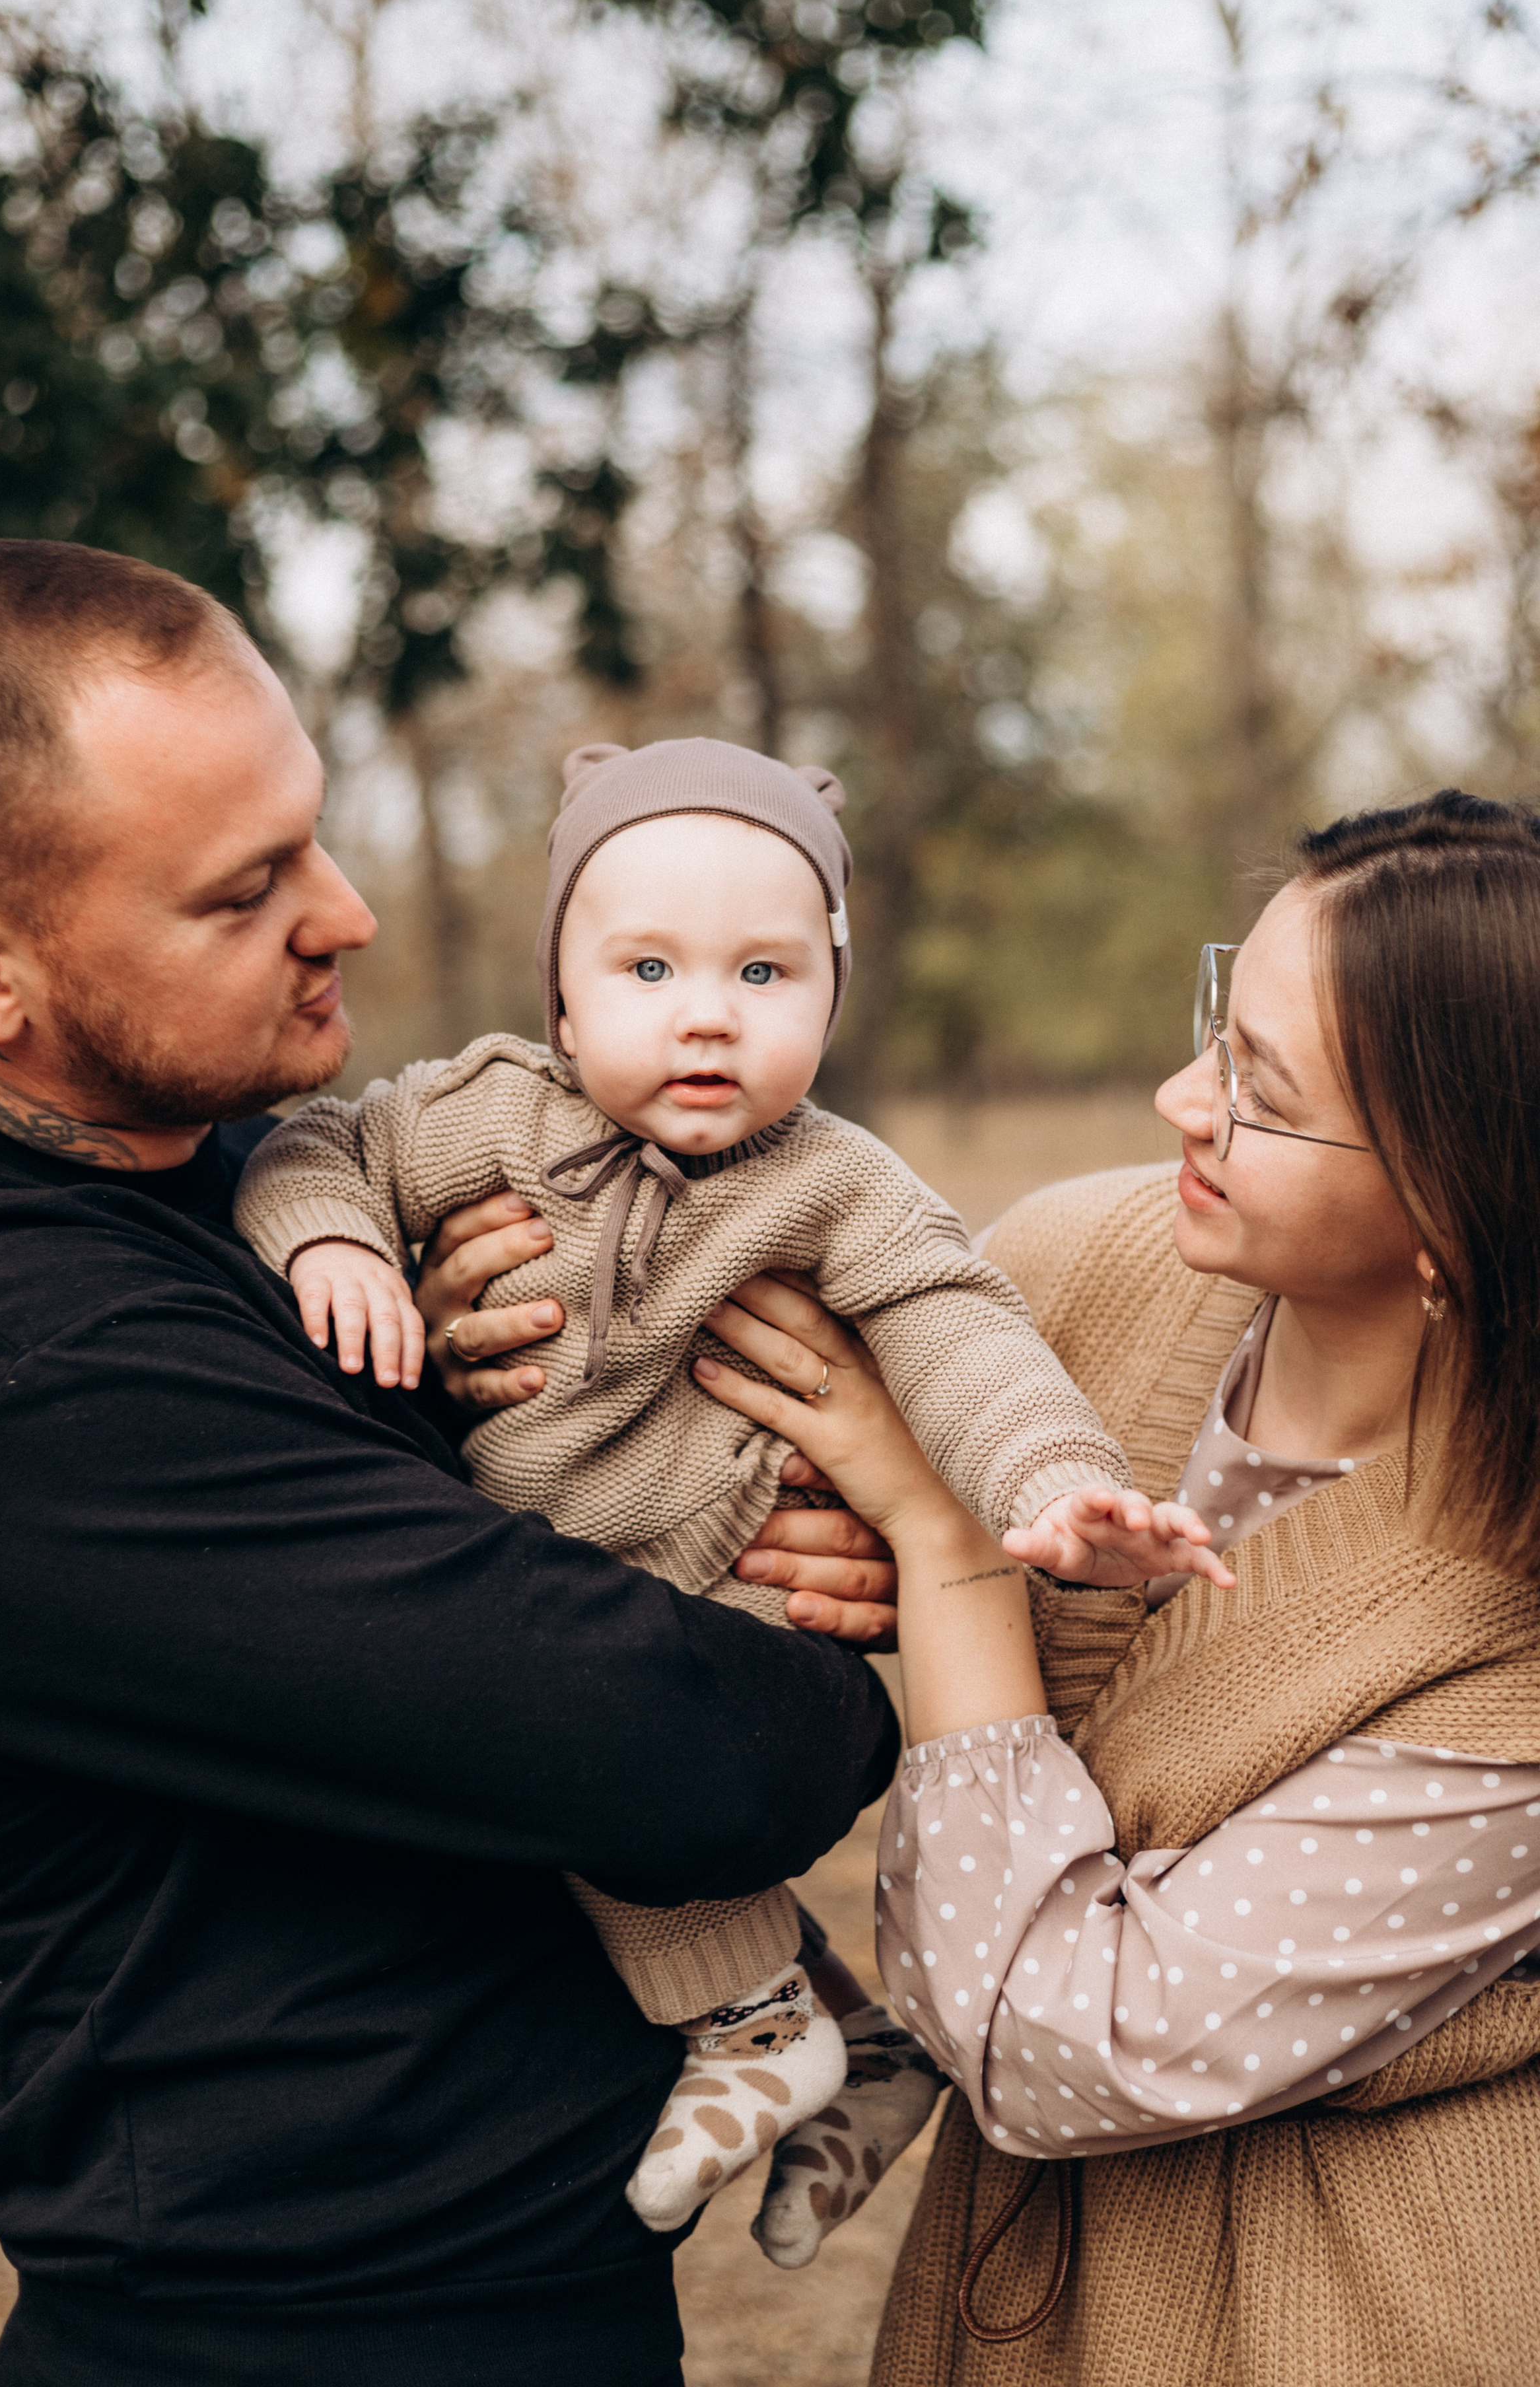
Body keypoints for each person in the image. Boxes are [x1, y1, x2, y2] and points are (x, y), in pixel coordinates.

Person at [0, 539, 905, 2387]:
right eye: (245, 889)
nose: (342, 913)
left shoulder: (231, 1204)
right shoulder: (11, 1368)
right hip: (295, 2338)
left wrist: (473, 1384)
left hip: (508, 2303)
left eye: (313, 837)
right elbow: (677, 1756)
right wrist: (864, 1631)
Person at [231, 735, 1202, 2257]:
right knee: (530, 1722)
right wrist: (335, 1244)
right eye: (646, 971)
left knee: (592, 1751)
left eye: (765, 976)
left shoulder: (834, 1182)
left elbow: (960, 1330)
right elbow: (313, 1146)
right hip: (546, 1562)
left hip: (735, 1562)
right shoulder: (483, 1114)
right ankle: (843, 2039)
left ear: (829, 993)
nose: (705, 1017)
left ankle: (755, 2027)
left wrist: (1057, 1477)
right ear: (559, 994)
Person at [669, 792, 1540, 2387]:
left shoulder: (1512, 1647)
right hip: (1008, 2298)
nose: (1173, 1100)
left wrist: (946, 1554)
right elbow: (704, 1375)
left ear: (1453, 1200)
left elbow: (1053, 2041)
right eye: (1217, 1025)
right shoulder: (1080, 1266)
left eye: (1256, 1094)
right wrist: (496, 1270)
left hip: (1338, 2318)